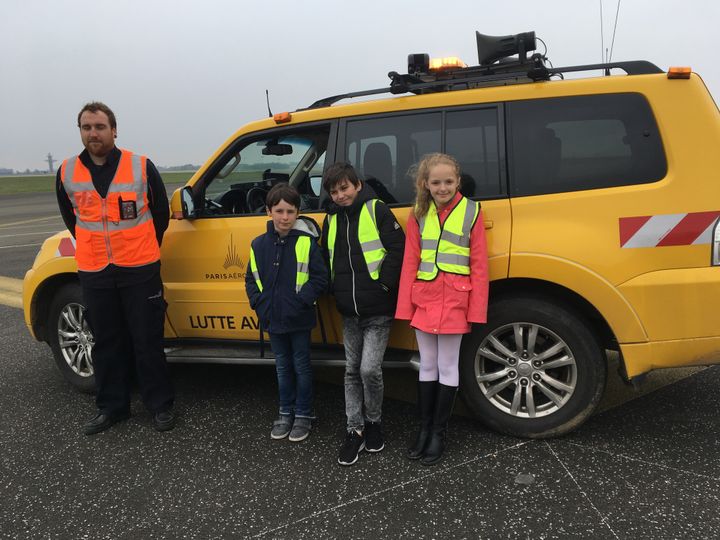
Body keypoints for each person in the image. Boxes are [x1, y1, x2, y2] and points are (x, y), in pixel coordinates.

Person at [56, 102, 175, 435]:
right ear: (80, 131)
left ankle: (160, 405)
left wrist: (141, 249)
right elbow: (72, 218)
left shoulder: (140, 166)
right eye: (86, 127)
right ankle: (112, 407)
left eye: (99, 126)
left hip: (139, 268)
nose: (93, 133)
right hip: (95, 271)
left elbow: (160, 215)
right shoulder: (66, 172)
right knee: (105, 342)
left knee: (147, 340)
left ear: (114, 130)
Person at [396, 153, 489, 465]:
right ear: (425, 184)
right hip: (424, 300)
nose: (443, 187)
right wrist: (405, 308)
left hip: (455, 303)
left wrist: (476, 312)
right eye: (436, 182)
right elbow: (410, 262)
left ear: (458, 181)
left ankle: (438, 432)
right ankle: (424, 429)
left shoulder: (472, 212)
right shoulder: (418, 214)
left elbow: (479, 266)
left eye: (449, 181)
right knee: (427, 365)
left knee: (448, 367)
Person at [321, 163, 405, 466]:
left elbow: (398, 247)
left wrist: (384, 284)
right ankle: (354, 430)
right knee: (351, 371)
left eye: (345, 188)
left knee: (370, 370)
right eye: (334, 191)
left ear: (357, 185)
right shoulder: (331, 220)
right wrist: (332, 288)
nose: (340, 195)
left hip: (377, 310)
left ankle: (374, 422)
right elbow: (324, 257)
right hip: (349, 311)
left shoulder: (376, 210)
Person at [246, 183, 327, 442]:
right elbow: (250, 278)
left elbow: (320, 278)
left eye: (290, 212)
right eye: (279, 211)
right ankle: (285, 412)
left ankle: (303, 414)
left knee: (301, 366)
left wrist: (302, 301)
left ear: (298, 213)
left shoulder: (306, 243)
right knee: (282, 367)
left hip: (299, 318)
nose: (284, 217)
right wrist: (258, 302)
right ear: (268, 211)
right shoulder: (258, 245)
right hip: (272, 318)